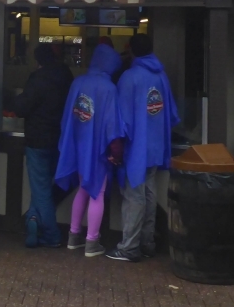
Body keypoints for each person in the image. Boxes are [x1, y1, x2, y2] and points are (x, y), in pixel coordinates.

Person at [107, 34, 180, 262]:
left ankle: (129, 247)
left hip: (136, 147)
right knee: (149, 193)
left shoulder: (129, 78)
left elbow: (121, 121)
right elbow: (171, 114)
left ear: (132, 51)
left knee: (134, 196)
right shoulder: (161, 76)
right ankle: (147, 243)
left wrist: (116, 149)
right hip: (156, 145)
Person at [55, 43, 122, 258]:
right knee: (98, 193)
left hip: (78, 147)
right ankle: (92, 242)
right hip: (98, 150)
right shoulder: (110, 88)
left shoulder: (78, 82)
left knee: (83, 188)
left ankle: (73, 236)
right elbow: (112, 125)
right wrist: (115, 152)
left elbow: (68, 117)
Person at [10, 42, 73, 249]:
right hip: (61, 139)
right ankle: (33, 222)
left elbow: (22, 107)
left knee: (41, 188)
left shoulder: (37, 79)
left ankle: (52, 234)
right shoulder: (66, 76)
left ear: (38, 60)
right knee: (45, 187)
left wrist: (16, 100)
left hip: (38, 139)